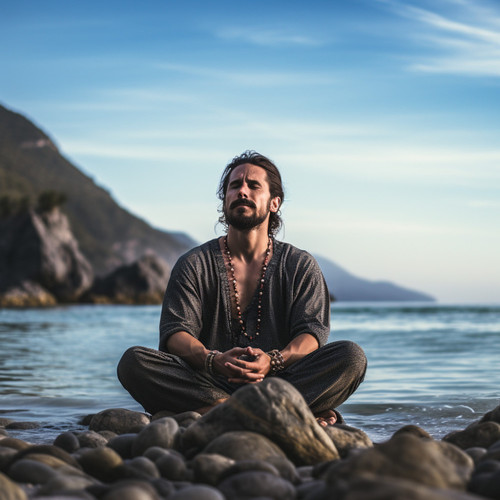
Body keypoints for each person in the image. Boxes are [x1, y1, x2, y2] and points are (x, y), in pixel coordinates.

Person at [118, 151, 366, 426]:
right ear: (224, 200)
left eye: (253, 185)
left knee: (351, 357)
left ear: (274, 202)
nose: (242, 191)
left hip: (280, 382)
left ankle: (223, 412)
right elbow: (176, 332)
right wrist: (214, 360)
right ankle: (280, 413)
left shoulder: (300, 265)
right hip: (208, 383)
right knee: (133, 363)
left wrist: (274, 361)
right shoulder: (194, 264)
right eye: (234, 186)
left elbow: (313, 333)